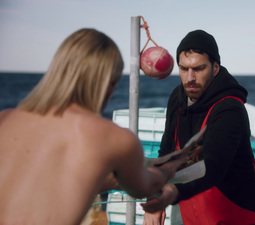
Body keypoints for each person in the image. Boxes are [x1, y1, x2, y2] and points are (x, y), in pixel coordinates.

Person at [0, 28, 187, 225]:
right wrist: (170, 168)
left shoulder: (5, 119)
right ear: (109, 83)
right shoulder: (112, 137)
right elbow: (145, 186)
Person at [142, 29, 255, 225]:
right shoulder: (177, 99)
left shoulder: (230, 109)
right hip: (193, 213)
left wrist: (168, 193)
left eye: (198, 69)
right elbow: (166, 150)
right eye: (183, 68)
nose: (189, 78)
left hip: (234, 216)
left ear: (215, 68)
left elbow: (210, 164)